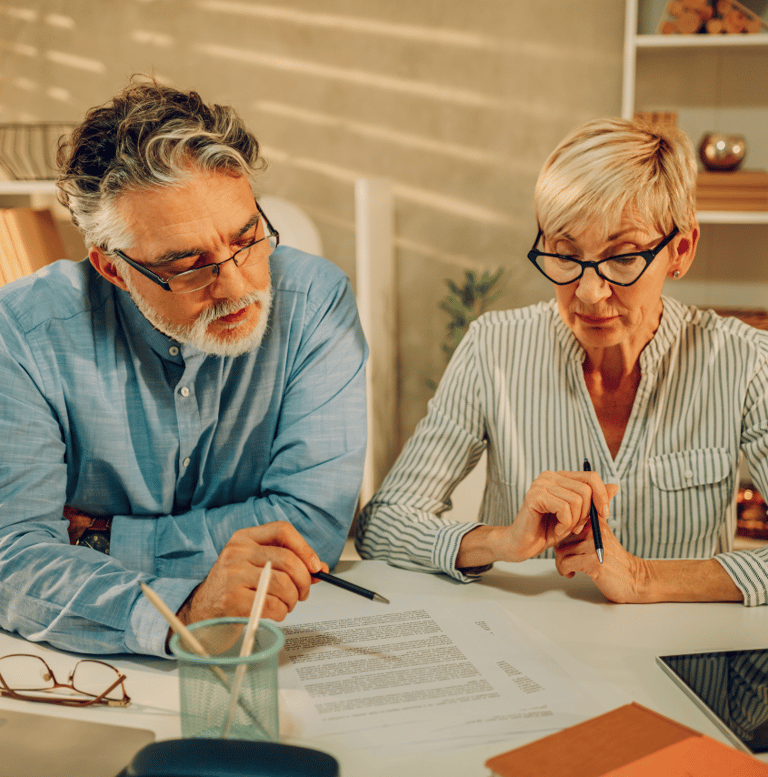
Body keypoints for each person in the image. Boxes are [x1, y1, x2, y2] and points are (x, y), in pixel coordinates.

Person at [0, 78, 368, 657]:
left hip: (281, 642)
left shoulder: (317, 301)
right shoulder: (22, 334)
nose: (239, 285)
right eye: (188, 265)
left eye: (247, 239)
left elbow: (308, 529)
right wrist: (186, 612)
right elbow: (14, 558)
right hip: (83, 669)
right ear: (112, 268)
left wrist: (101, 539)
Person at [357, 116, 768, 607]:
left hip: (683, 666)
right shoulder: (494, 349)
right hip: (528, 660)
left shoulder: (744, 362)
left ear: (680, 250)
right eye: (566, 254)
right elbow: (382, 525)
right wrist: (501, 541)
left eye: (623, 257)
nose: (590, 293)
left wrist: (642, 578)